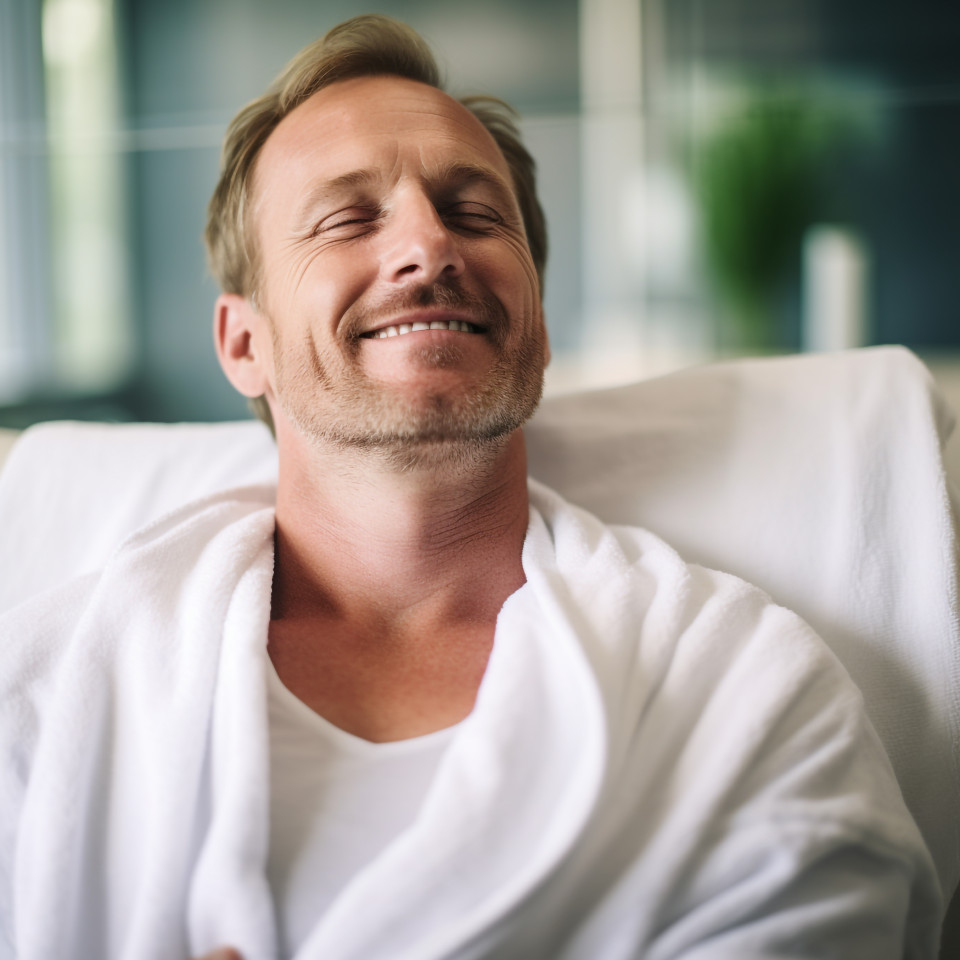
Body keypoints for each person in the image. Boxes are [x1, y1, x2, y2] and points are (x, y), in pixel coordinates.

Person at [0, 14, 942, 960]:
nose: (429, 246)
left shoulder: (738, 691)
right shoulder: (49, 695)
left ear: (532, 306)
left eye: (476, 214)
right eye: (348, 218)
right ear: (244, 343)